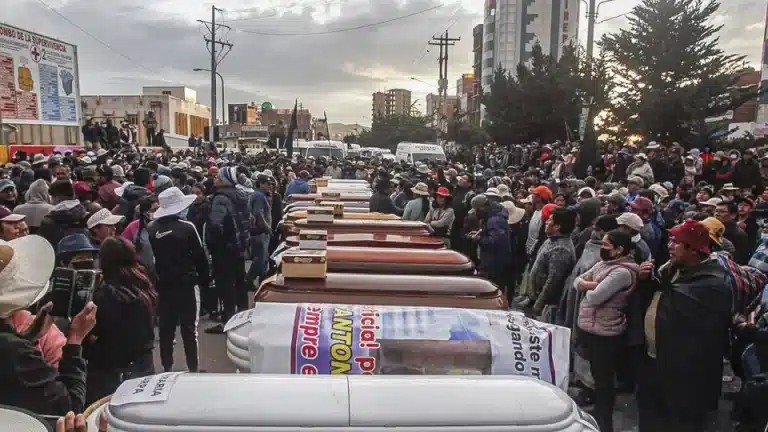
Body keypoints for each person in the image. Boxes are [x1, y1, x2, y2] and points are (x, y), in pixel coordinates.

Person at [637, 219, 731, 431]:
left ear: (694, 251)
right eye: (670, 240)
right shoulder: (672, 270)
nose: (669, 246)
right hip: (655, 362)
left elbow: (699, 339)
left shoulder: (711, 285)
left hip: (684, 377)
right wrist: (647, 281)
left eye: (676, 242)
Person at [0, 234, 97, 415]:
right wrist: (75, 339)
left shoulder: (13, 345)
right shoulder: (14, 352)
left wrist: (31, 335)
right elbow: (70, 406)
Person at [575, 229, 640, 432]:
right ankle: (598, 412)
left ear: (619, 249)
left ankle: (605, 422)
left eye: (606, 245)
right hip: (591, 327)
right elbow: (577, 281)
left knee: (604, 379)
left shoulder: (622, 272)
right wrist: (592, 284)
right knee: (596, 374)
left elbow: (595, 297)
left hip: (606, 332)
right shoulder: (605, 264)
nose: (602, 248)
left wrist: (589, 286)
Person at [84, 237, 157, 404]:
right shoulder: (142, 285)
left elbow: (93, 333)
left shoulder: (105, 296)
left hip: (112, 375)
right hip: (143, 366)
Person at [148, 187, 210, 372]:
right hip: (187, 285)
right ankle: (193, 369)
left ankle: (167, 368)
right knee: (189, 329)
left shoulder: (152, 229)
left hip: (163, 286)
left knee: (166, 329)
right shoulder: (187, 227)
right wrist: (205, 280)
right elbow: (200, 257)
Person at [206, 168, 250, 333]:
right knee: (240, 281)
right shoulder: (241, 195)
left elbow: (216, 225)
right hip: (239, 246)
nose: (215, 179)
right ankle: (244, 315)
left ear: (224, 180)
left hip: (224, 249)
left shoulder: (220, 199)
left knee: (225, 285)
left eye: (218, 177)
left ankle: (228, 321)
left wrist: (213, 244)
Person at [527, 207, 577, 321]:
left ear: (557, 227)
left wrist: (538, 304)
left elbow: (553, 281)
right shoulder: (551, 240)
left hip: (550, 305)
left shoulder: (561, 249)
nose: (546, 222)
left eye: (549, 220)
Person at [245, 174, 272, 290]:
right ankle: (249, 279)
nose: (269, 186)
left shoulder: (257, 195)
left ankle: (262, 281)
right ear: (261, 184)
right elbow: (259, 215)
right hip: (259, 233)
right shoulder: (259, 196)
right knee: (259, 259)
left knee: (263, 258)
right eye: (267, 184)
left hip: (258, 232)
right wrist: (267, 228)